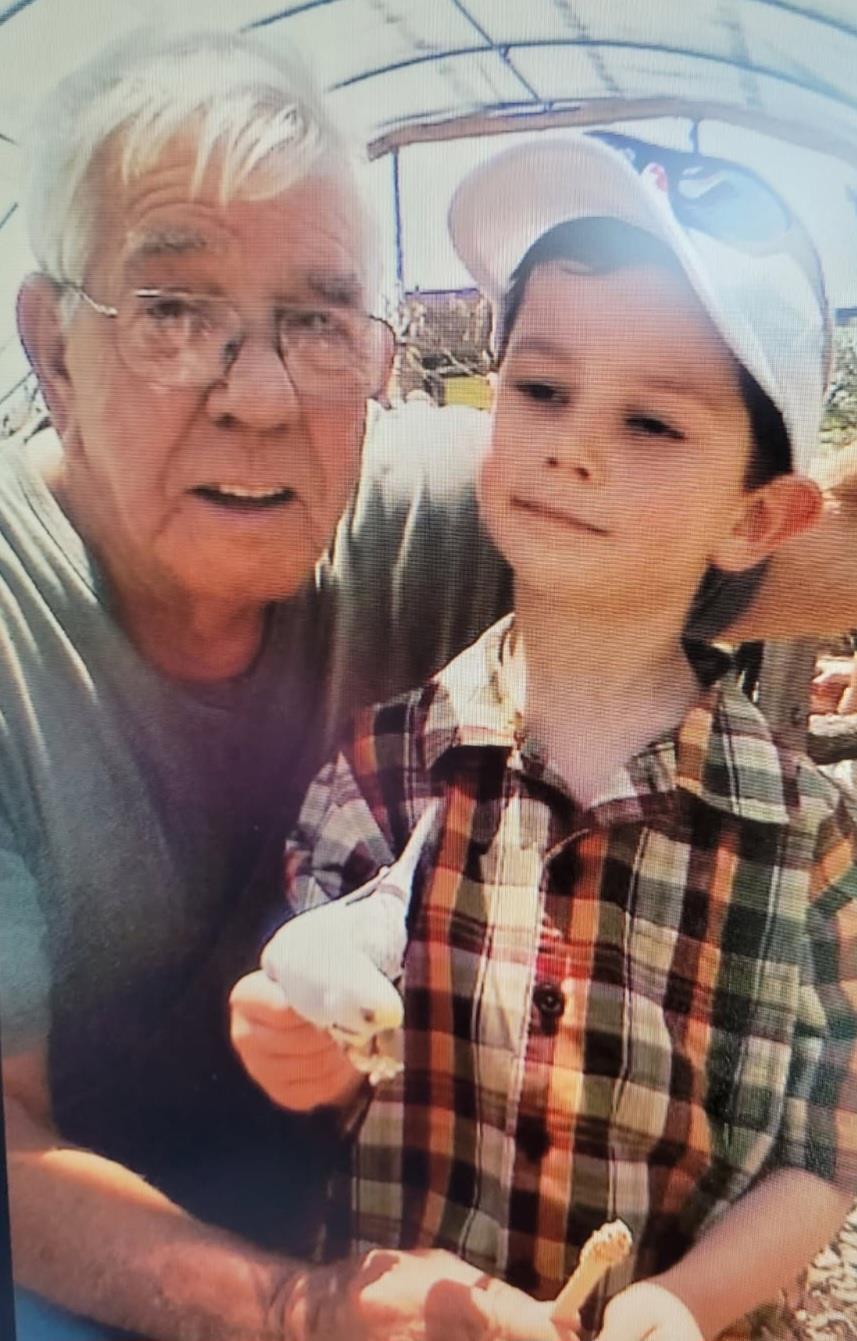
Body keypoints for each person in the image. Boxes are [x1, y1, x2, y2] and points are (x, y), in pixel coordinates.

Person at [0, 27, 572, 1341]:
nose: (258, 395)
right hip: (78, 1252)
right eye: (173, 312)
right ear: (51, 351)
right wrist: (307, 1315)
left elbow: (737, 522)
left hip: (352, 1193)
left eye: (315, 321)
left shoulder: (430, 516)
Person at [235, 136, 857, 1341]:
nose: (572, 442)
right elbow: (313, 1019)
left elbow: (820, 1154)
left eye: (651, 424)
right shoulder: (380, 773)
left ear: (758, 517)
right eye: (539, 389)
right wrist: (285, 1037)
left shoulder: (809, 847)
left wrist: (677, 1304)